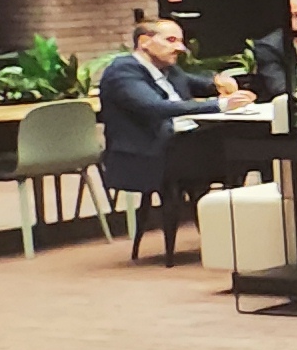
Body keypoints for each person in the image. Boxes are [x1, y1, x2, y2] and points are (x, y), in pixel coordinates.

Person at [95, 17, 229, 228]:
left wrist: (219, 82)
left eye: (181, 41)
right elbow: (155, 108)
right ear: (144, 42)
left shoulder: (168, 69)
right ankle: (220, 229)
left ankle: (227, 230)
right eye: (172, 40)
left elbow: (198, 83)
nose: (180, 48)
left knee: (235, 145)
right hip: (145, 154)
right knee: (225, 152)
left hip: (179, 144)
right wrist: (219, 105)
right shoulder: (123, 72)